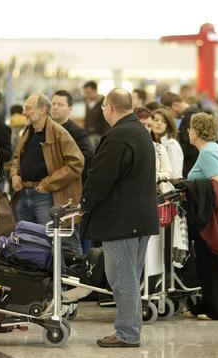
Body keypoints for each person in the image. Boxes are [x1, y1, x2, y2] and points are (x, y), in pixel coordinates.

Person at [81, 88, 158, 348]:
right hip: (140, 217)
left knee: (122, 278)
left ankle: (127, 333)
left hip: (120, 221)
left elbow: (100, 178)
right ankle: (130, 329)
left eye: (103, 108)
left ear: (110, 108)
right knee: (131, 277)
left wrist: (85, 204)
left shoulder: (118, 136)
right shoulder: (140, 132)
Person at [11, 93, 84, 230]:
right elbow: (17, 158)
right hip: (24, 194)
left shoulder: (59, 133)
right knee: (27, 242)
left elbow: (76, 163)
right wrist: (14, 175)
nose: (23, 112)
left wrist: (48, 183)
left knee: (51, 242)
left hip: (45, 197)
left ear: (42, 110)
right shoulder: (28, 132)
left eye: (28, 108)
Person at [183, 112, 218, 320]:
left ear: (197, 131)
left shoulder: (208, 152)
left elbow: (217, 183)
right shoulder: (211, 149)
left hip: (209, 213)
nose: (188, 131)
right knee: (204, 260)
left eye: (191, 128)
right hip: (208, 212)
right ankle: (206, 303)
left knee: (211, 261)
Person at [50, 90, 94, 260]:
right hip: (49, 191)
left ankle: (78, 274)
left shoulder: (76, 132)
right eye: (53, 104)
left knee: (69, 238)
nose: (55, 108)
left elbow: (87, 157)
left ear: (70, 108)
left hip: (69, 192)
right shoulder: (47, 129)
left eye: (60, 104)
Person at [151, 108, 184, 178]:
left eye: (164, 121)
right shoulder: (152, 143)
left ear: (168, 126)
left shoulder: (171, 144)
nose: (159, 123)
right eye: (156, 120)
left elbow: (175, 174)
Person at [83, 81, 109, 148]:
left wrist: (105, 137)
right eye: (85, 93)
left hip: (100, 135)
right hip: (89, 134)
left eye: (89, 93)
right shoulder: (87, 102)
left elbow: (106, 121)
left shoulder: (104, 102)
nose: (87, 95)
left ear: (95, 90)